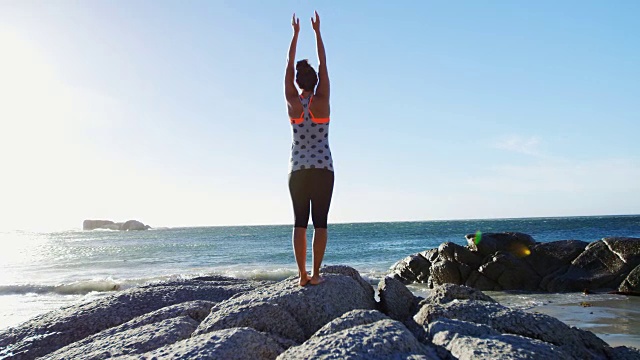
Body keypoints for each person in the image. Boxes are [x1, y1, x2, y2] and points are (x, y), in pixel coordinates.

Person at [285, 11, 334, 286]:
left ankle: (301, 275)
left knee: (299, 223)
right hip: (323, 168)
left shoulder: (292, 101)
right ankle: (315, 274)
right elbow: (323, 63)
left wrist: (295, 34)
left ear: (297, 81)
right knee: (321, 222)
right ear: (315, 81)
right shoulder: (323, 100)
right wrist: (317, 32)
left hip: (298, 169)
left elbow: (289, 63)